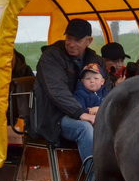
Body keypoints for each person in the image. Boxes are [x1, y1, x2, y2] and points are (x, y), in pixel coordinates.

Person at [31, 18, 105, 161]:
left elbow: (106, 87)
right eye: (68, 38)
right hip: (54, 117)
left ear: (88, 41)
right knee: (85, 129)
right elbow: (57, 91)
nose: (71, 44)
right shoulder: (50, 57)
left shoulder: (96, 61)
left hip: (86, 112)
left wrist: (101, 108)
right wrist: (81, 114)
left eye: (77, 40)